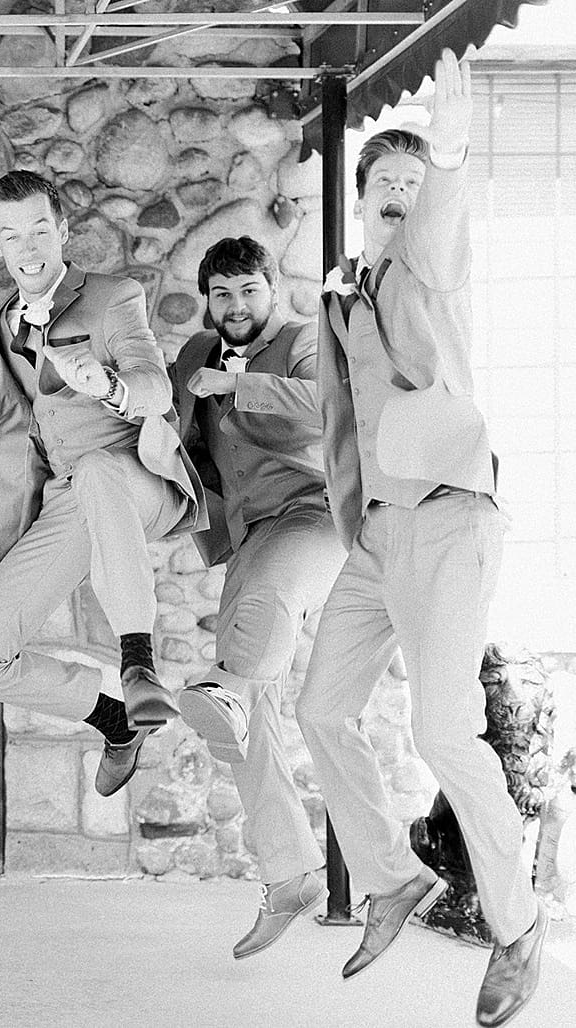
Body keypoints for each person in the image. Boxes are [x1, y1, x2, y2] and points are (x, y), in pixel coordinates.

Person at [294, 52, 546, 1028]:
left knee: (443, 727)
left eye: (411, 186)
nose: (398, 198)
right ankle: (391, 874)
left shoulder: (426, 267)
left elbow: (440, 213)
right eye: (383, 185)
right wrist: (349, 517)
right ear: (359, 201)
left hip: (447, 517)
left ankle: (516, 924)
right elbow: (336, 418)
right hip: (378, 533)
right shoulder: (340, 290)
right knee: (319, 707)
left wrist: (444, 145)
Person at [0, 170, 203, 798]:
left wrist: (107, 385)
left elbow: (155, 386)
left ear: (62, 231)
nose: (28, 247)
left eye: (40, 228)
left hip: (137, 474)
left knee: (97, 471)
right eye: (12, 236)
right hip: (68, 496)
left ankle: (138, 661)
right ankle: (115, 720)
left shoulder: (114, 297)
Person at [168, 236, 345, 958]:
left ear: (271, 291)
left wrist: (235, 387)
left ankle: (234, 685)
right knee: (242, 724)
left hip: (314, 514)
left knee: (261, 623)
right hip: (245, 537)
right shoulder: (195, 357)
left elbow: (324, 407)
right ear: (208, 302)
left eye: (248, 291)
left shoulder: (303, 342)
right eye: (221, 295)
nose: (235, 307)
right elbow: (161, 416)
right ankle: (289, 872)